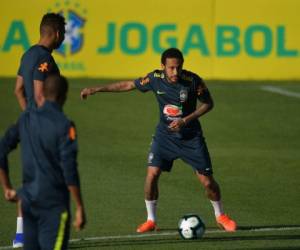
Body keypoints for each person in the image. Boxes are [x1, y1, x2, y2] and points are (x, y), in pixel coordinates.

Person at [80, 48, 237, 233]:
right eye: (171, 68)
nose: (175, 72)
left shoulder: (193, 81)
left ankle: (221, 216)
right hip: (164, 137)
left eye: (178, 67)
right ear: (163, 66)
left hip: (191, 138)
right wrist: (97, 89)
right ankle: (151, 220)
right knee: (152, 175)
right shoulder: (154, 78)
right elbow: (128, 85)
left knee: (208, 183)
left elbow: (209, 103)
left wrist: (186, 120)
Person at [0, 74, 86, 250]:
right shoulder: (65, 125)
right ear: (64, 96)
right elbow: (69, 169)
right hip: (54, 206)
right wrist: (79, 206)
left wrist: (7, 187)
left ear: (42, 94)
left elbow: (1, 150)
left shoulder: (26, 118)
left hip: (28, 203)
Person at [12, 12, 66, 248]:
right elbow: (39, 94)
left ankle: (20, 235)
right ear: (56, 33)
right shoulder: (45, 59)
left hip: (30, 125)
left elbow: (18, 90)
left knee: (30, 180)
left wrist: (28, 118)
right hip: (44, 128)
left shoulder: (27, 54)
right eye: (62, 33)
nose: (63, 38)